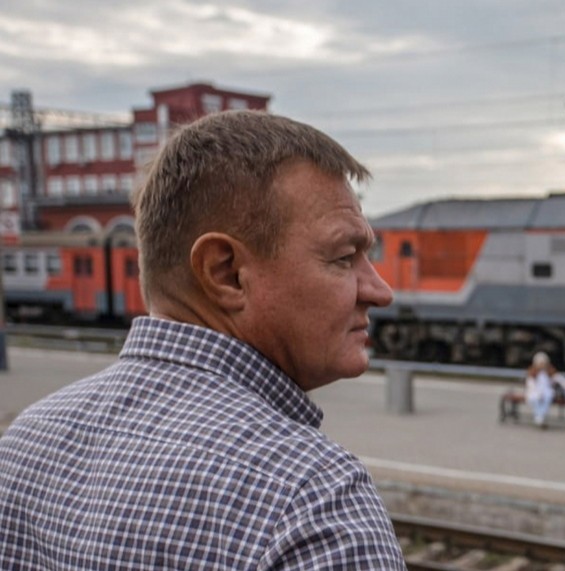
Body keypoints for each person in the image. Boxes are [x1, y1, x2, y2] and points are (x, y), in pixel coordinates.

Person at [0, 111, 406, 569]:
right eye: (344, 257)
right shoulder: (311, 499)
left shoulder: (25, 442)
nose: (380, 291)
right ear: (225, 273)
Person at [525, 351, 554, 428]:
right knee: (536, 399)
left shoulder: (547, 373)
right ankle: (539, 417)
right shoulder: (533, 373)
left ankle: (540, 416)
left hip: (546, 393)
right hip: (534, 392)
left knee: (547, 397)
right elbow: (531, 386)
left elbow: (553, 381)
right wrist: (538, 393)